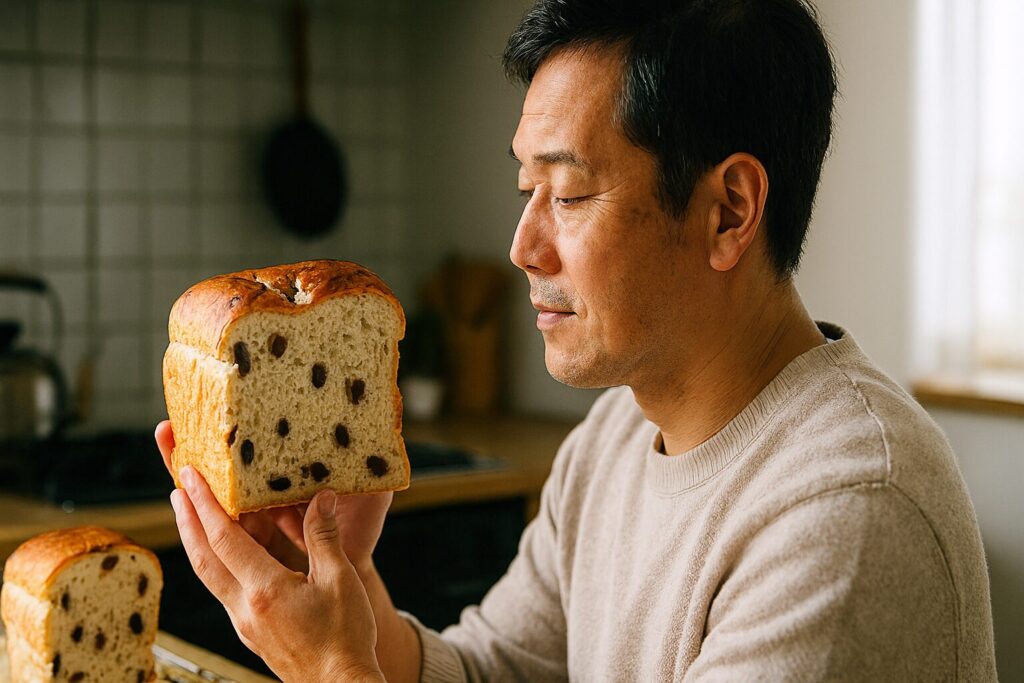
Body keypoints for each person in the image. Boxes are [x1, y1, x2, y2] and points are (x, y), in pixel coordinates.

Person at [154, 0, 998, 680]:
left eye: (567, 194)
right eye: (528, 188)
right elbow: (496, 669)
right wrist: (348, 602)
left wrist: (335, 671)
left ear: (729, 212)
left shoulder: (845, 512)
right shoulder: (618, 434)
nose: (522, 246)